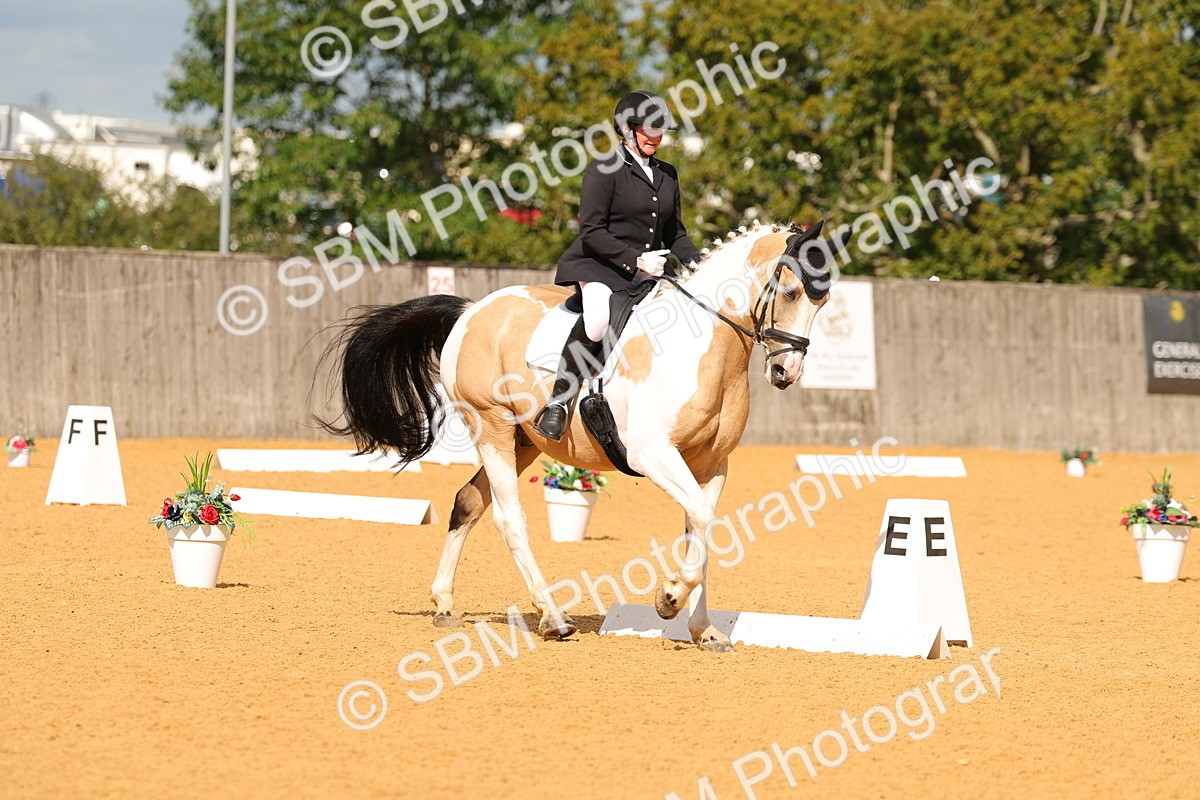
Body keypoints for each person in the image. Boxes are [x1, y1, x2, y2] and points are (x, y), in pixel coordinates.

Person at [531, 90, 705, 441]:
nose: (656, 136)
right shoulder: (605, 167)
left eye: (661, 130)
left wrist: (706, 265)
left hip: (650, 270)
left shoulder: (667, 174)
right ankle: (559, 401)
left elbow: (676, 237)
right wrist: (635, 260)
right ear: (628, 129)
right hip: (600, 265)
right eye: (649, 129)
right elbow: (591, 231)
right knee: (596, 321)